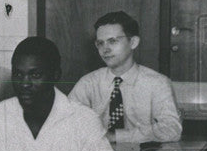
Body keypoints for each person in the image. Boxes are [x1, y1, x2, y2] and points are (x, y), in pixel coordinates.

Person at [68, 10, 182, 143]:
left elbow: (172, 129)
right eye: (100, 43)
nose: (105, 49)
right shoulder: (88, 83)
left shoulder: (157, 83)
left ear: (133, 42)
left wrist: (116, 136)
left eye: (113, 41)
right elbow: (66, 122)